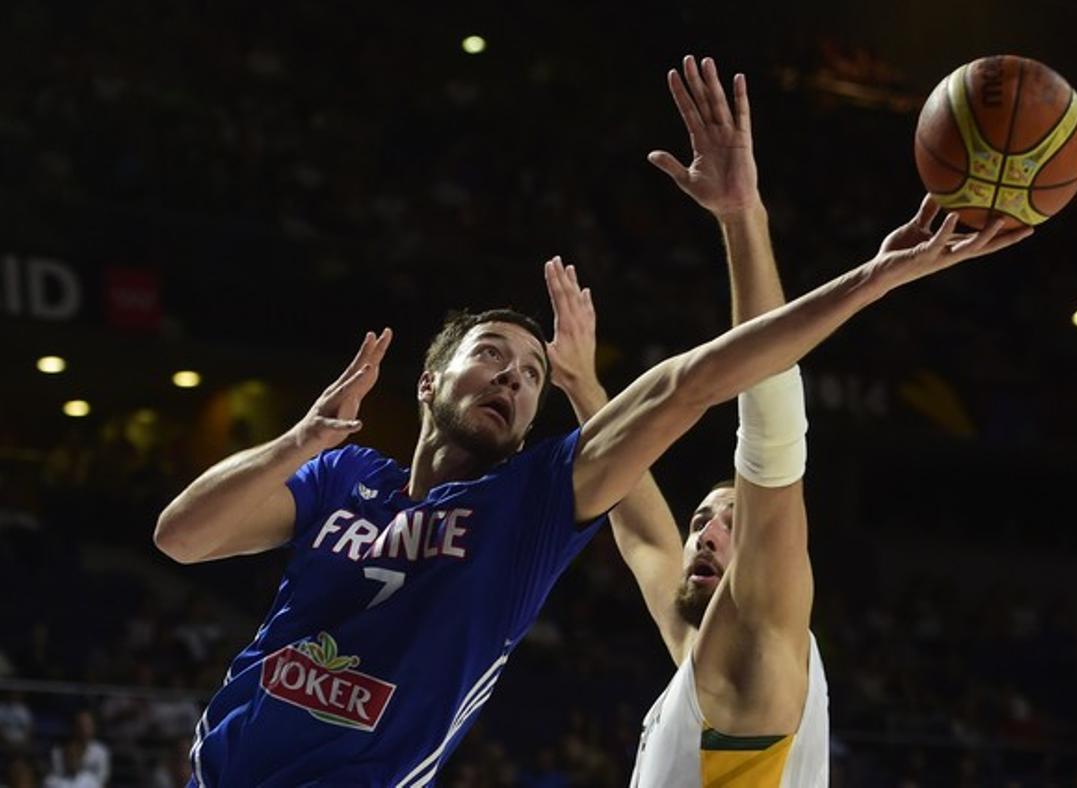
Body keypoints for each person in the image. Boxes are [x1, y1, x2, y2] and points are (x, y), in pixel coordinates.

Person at [154, 60, 1031, 788]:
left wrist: (864, 275)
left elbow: (704, 391)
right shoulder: (342, 480)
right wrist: (301, 439)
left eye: (534, 374)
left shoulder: (528, 504)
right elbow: (183, 538)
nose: (516, 377)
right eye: (496, 355)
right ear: (428, 382)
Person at [543, 57, 1025, 786]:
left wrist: (744, 217)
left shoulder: (763, 631)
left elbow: (768, 419)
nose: (702, 530)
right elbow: (644, 532)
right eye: (703, 517)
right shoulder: (709, 659)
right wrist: (583, 389)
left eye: (728, 518)